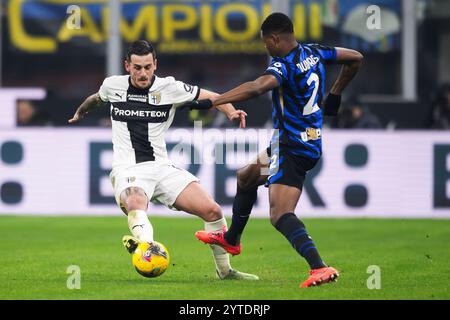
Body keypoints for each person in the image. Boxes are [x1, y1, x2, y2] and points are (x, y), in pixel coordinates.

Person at [190, 13, 363, 288]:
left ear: (274, 38)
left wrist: (215, 102)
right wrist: (336, 93)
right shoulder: (316, 53)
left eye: (265, 44)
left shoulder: (285, 66)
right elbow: (355, 57)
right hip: (301, 141)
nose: (266, 50)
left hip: (291, 146)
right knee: (246, 177)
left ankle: (319, 267)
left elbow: (257, 87)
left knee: (280, 214)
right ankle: (231, 239)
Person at [68, 40, 258, 280]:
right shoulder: (112, 85)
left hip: (161, 167)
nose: (143, 73)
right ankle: (147, 247)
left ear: (155, 64)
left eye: (147, 66)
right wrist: (81, 111)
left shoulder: (170, 88)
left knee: (213, 210)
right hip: (129, 168)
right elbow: (97, 98)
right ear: (127, 65)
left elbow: (212, 97)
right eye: (137, 67)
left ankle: (225, 272)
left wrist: (230, 110)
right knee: (136, 200)